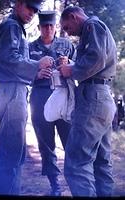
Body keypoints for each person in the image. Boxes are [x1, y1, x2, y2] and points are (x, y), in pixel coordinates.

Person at [0, 0, 54, 195]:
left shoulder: (16, 27)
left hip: (13, 91)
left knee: (14, 154)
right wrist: (37, 64)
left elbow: (13, 63)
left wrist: (35, 72)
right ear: (19, 4)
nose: (32, 14)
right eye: (30, 8)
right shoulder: (12, 26)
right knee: (11, 154)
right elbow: (9, 59)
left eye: (35, 11)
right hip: (11, 93)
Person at [58, 6, 117, 197]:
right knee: (101, 162)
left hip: (93, 98)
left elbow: (96, 57)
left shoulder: (92, 25)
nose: (68, 32)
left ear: (74, 17)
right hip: (101, 97)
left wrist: (72, 71)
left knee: (76, 162)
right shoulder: (93, 30)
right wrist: (73, 64)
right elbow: (96, 57)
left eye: (67, 27)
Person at [29, 10, 75, 196]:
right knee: (46, 144)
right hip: (40, 97)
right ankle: (55, 185)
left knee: (70, 141)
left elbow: (81, 66)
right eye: (44, 26)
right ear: (39, 27)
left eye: (51, 25)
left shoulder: (66, 44)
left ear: (56, 26)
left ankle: (75, 181)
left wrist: (69, 62)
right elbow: (21, 71)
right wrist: (36, 74)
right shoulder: (30, 47)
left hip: (63, 96)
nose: (48, 29)